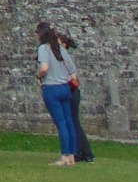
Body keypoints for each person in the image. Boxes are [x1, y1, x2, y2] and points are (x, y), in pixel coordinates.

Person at [34, 22, 79, 166]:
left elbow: (44, 68)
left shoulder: (43, 48)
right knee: (69, 122)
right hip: (65, 87)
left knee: (61, 123)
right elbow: (73, 73)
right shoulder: (60, 48)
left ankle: (64, 156)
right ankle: (72, 156)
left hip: (51, 88)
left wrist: (38, 75)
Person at [57, 30, 95, 161]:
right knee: (73, 122)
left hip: (70, 90)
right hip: (71, 90)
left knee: (73, 122)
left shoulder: (64, 57)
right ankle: (85, 153)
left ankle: (79, 153)